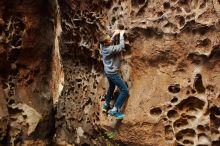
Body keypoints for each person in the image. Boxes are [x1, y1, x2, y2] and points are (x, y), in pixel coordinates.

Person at [99, 30, 128, 119]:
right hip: (113, 73)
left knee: (111, 87)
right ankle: (114, 111)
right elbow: (121, 46)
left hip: (107, 72)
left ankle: (106, 104)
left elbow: (108, 42)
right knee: (125, 90)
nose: (111, 41)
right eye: (109, 40)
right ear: (105, 42)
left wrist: (114, 35)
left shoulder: (102, 46)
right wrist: (122, 35)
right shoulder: (110, 49)